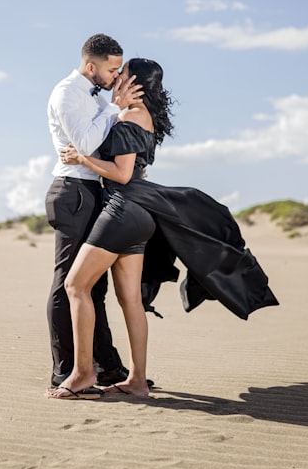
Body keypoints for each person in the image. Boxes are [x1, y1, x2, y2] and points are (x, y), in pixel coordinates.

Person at [46, 58, 279, 400]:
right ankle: (137, 381)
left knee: (75, 284)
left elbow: (123, 175)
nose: (116, 80)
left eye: (122, 75)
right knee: (130, 301)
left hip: (122, 211)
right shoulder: (145, 117)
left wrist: (83, 160)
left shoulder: (128, 116)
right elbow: (137, 171)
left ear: (135, 83)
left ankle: (81, 374)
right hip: (140, 215)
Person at [45, 33, 144, 390]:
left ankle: (107, 367)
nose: (116, 76)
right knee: (68, 284)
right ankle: (64, 369)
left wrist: (115, 107)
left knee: (92, 285)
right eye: (112, 69)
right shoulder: (67, 94)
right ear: (91, 66)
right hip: (73, 192)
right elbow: (85, 144)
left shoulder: (98, 99)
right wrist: (117, 109)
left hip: (93, 191)